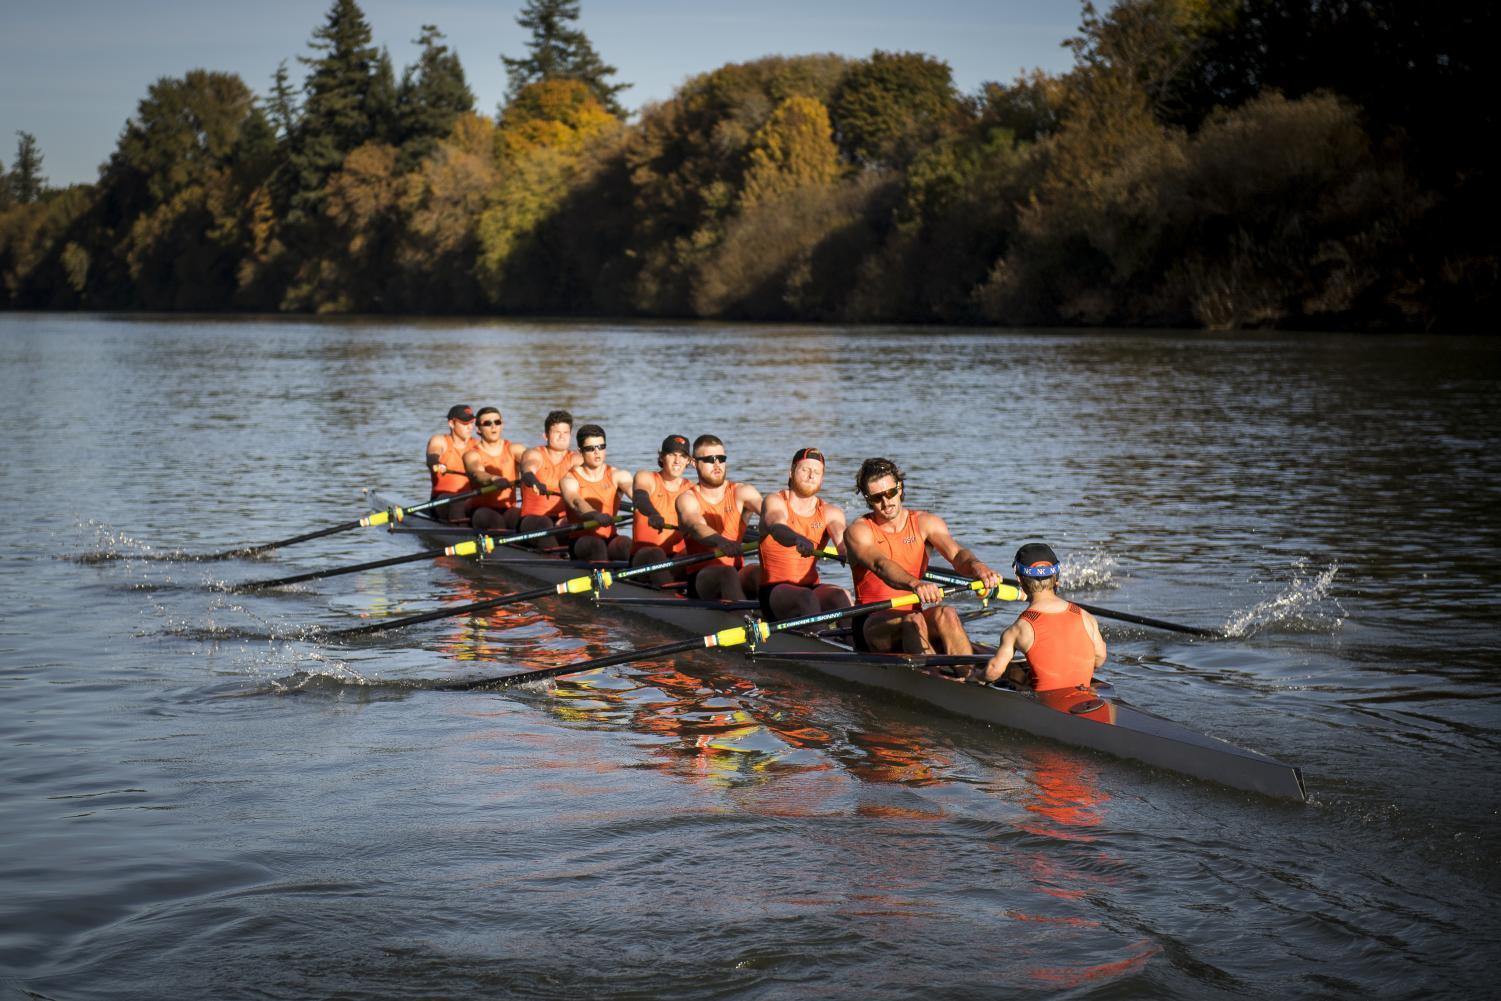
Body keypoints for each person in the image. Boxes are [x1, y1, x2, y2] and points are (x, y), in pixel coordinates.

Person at [843, 457, 1000, 659]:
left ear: (899, 488)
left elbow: (957, 554)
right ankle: (937, 681)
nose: (886, 502)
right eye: (877, 498)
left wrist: (977, 567)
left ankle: (968, 678)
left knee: (948, 614)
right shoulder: (858, 531)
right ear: (867, 499)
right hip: (871, 622)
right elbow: (881, 565)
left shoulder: (926, 523)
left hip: (912, 617)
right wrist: (915, 584)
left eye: (890, 493)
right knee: (913, 620)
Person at [978, 543, 1107, 689]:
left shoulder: (1018, 629)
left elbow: (993, 671)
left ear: (1020, 581)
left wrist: (974, 677)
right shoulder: (1086, 616)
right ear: (1056, 578)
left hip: (1046, 704)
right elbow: (1100, 657)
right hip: (1087, 701)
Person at [757, 447, 851, 619]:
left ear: (822, 479)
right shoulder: (775, 501)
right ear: (791, 472)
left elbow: (843, 544)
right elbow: (777, 527)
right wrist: (797, 538)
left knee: (841, 595)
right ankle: (821, 642)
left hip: (811, 588)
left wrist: (852, 552)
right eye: (805, 469)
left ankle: (849, 644)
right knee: (806, 598)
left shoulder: (832, 512)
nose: (811, 475)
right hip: (774, 591)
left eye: (816, 472)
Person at [675, 434, 764, 601]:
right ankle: (744, 621)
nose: (717, 465)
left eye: (721, 459)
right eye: (710, 459)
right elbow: (695, 525)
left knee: (759, 571)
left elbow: (768, 513)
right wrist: (721, 541)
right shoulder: (687, 499)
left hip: (737, 572)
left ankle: (782, 619)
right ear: (694, 463)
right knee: (726, 572)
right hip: (702, 578)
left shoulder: (742, 492)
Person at [559, 424, 634, 562]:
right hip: (581, 541)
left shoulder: (619, 475)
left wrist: (648, 508)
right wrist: (595, 515)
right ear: (580, 451)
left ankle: (632, 580)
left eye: (601, 447)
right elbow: (576, 502)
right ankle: (605, 579)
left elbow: (636, 494)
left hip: (611, 538)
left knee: (626, 543)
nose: (597, 452)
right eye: (590, 448)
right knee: (596, 544)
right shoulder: (569, 479)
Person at [629, 434, 695, 585]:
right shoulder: (646, 477)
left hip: (677, 559)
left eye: (682, 456)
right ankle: (671, 594)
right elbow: (640, 497)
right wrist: (653, 513)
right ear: (661, 457)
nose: (677, 461)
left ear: (688, 461)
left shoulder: (692, 489)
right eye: (672, 454)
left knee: (700, 551)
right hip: (644, 558)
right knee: (656, 553)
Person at [517, 409, 582, 540]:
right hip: (533, 520)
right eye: (557, 432)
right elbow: (528, 470)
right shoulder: (534, 454)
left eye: (566, 433)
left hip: (563, 521)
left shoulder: (577, 459)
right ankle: (556, 557)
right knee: (545, 523)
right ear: (546, 436)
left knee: (575, 523)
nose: (562, 436)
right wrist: (534, 482)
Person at [462, 406, 526, 532]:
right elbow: (477, 473)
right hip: (481, 510)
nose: (493, 426)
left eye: (497, 422)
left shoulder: (514, 449)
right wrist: (494, 479)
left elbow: (532, 460)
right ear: (478, 429)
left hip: (508, 509)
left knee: (526, 517)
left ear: (502, 425)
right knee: (495, 521)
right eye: (487, 423)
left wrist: (530, 475)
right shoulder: (472, 454)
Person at [425, 404, 478, 524]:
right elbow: (433, 452)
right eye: (464, 423)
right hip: (442, 501)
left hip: (471, 499)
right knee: (457, 502)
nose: (470, 427)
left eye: (471, 422)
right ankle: (463, 533)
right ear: (451, 424)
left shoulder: (477, 445)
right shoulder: (440, 441)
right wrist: (435, 463)